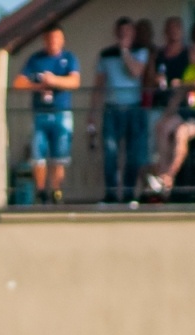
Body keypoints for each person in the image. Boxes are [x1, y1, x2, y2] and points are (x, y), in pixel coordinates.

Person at [13, 26, 81, 205]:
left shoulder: (69, 58)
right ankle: (41, 192)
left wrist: (54, 81)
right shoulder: (35, 59)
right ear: (45, 40)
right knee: (38, 154)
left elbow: (75, 81)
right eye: (50, 39)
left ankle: (56, 192)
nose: (53, 43)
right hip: (40, 113)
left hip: (61, 113)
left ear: (62, 40)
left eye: (57, 39)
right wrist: (38, 86)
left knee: (60, 155)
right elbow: (19, 83)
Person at [148, 37, 195, 198]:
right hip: (191, 113)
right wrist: (167, 114)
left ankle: (168, 177)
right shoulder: (190, 69)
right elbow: (179, 96)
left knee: (181, 132)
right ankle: (161, 174)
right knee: (162, 126)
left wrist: (181, 84)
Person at [91, 17, 151, 202]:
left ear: (133, 34)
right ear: (116, 33)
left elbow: (136, 72)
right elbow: (99, 85)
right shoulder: (106, 54)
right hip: (111, 109)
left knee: (132, 154)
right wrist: (92, 113)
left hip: (133, 109)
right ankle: (110, 194)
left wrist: (125, 51)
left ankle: (128, 194)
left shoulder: (140, 52)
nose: (125, 35)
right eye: (122, 32)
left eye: (128, 32)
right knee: (110, 154)